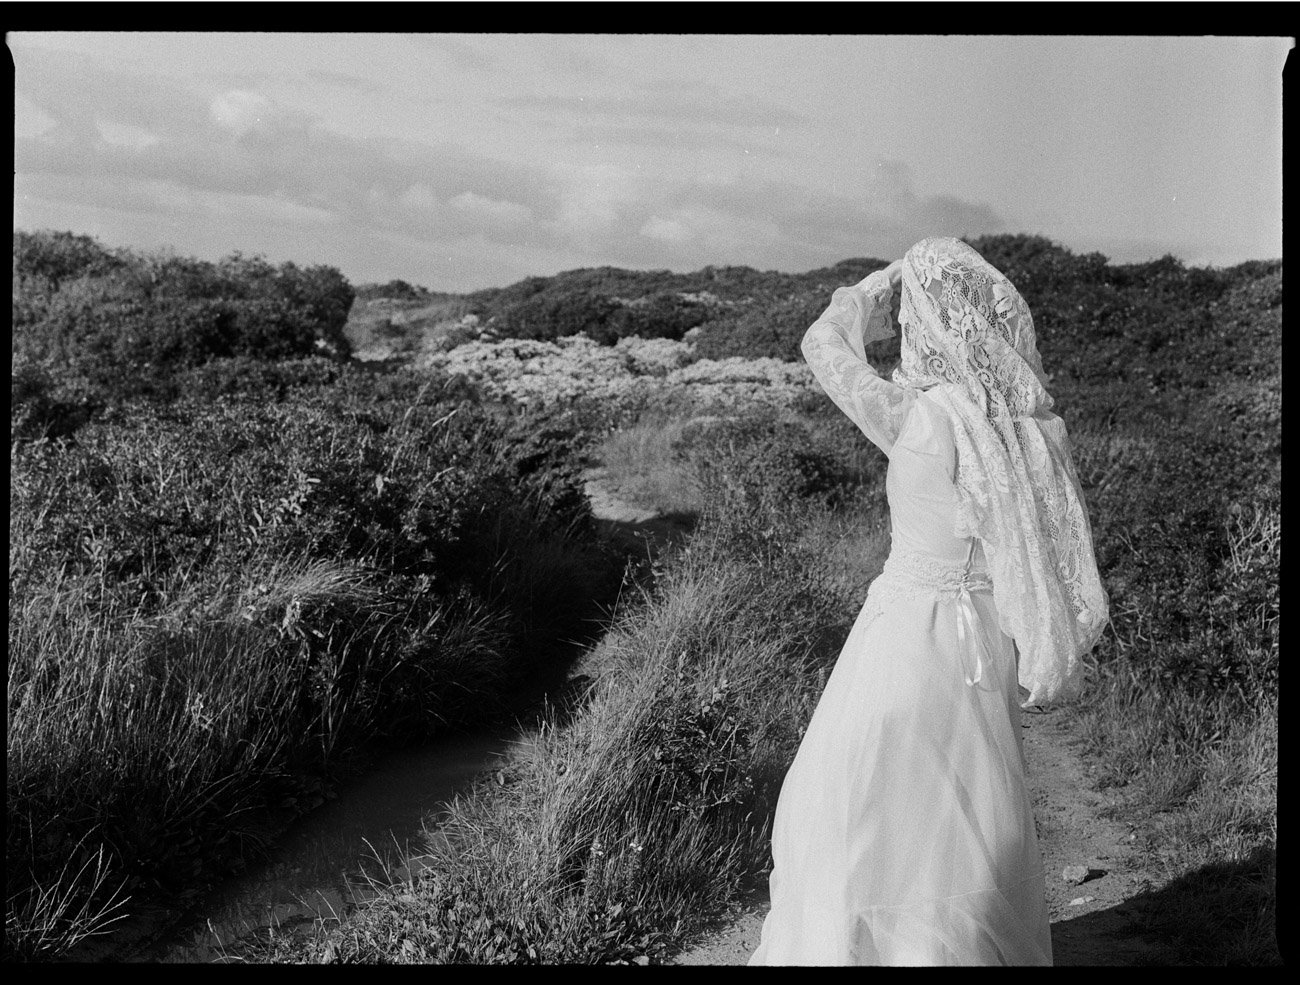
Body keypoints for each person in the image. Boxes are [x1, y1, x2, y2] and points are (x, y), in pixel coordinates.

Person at [748, 237, 1109, 966]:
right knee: (962, 812)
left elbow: (822, 345)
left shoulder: (919, 416)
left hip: (908, 631)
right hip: (982, 641)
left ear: (924, 319)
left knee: (860, 802)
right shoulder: (1027, 423)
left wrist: (880, 283)